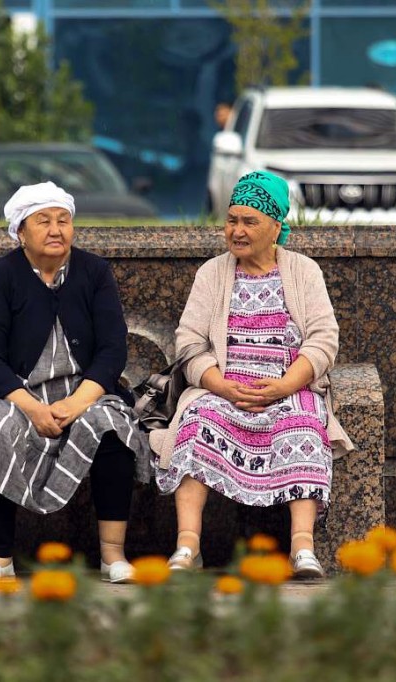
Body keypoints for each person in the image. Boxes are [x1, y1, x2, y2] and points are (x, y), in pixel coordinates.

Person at [150, 171, 354, 578]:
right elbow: (188, 342)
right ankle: (188, 545)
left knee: (303, 425)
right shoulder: (212, 273)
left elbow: (323, 339)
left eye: (249, 222)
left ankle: (302, 548)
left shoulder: (304, 271)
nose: (237, 231)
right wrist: (221, 385)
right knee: (197, 421)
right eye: (231, 220)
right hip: (222, 388)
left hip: (289, 386)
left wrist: (284, 385)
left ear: (276, 227)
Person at [0, 181, 151, 584]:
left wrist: (77, 403)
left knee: (111, 427)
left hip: (85, 391)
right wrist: (32, 408)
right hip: (17, 394)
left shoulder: (94, 272)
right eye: (43, 221)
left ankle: (113, 556)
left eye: (63, 220)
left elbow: (112, 350)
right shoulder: (2, 275)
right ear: (21, 232)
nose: (56, 230)